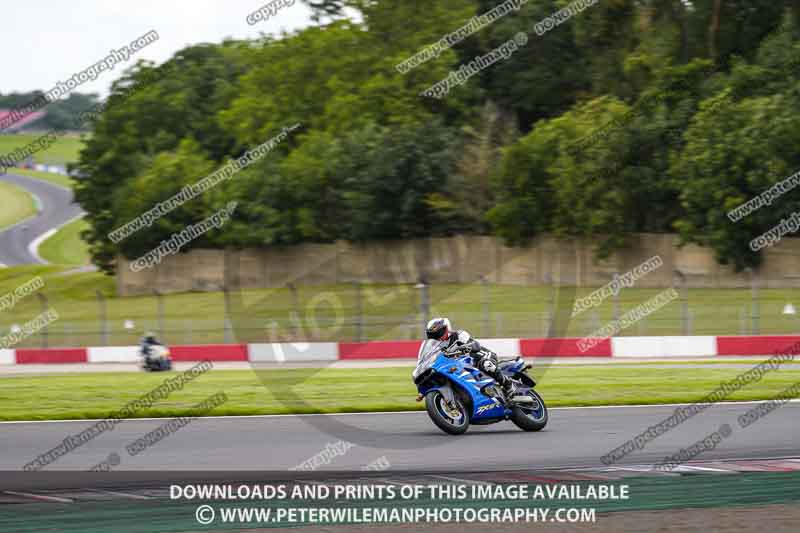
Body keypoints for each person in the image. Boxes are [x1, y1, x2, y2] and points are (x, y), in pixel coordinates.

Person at [425, 317, 517, 396]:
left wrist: (464, 347)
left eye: (438, 333)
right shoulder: (437, 347)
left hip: (481, 357)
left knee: (486, 364)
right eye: (433, 335)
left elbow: (475, 345)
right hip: (463, 365)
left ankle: (508, 384)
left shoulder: (459, 335)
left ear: (446, 329)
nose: (436, 337)